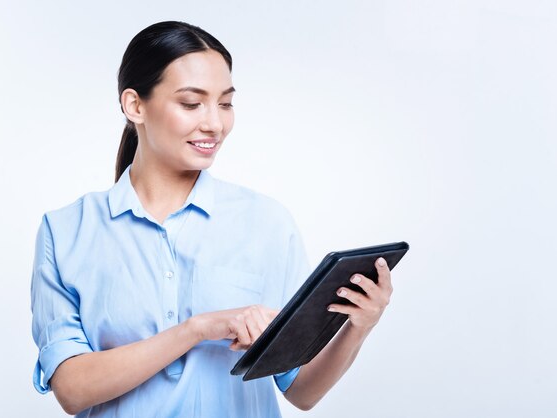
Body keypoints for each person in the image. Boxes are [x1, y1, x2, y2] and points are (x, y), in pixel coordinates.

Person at [30, 20, 394, 418]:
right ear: (135, 105)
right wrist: (197, 329)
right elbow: (73, 389)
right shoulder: (65, 231)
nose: (215, 124)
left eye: (225, 103)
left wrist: (359, 325)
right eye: (191, 103)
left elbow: (301, 391)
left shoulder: (266, 223)